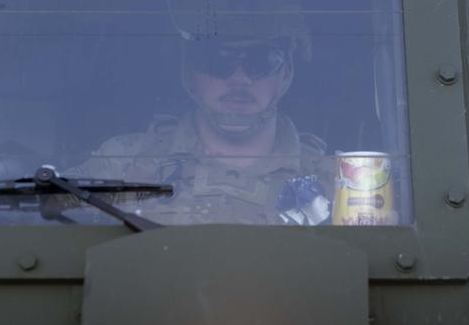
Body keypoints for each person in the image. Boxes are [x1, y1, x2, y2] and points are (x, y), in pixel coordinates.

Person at [66, 17, 333, 226]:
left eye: (260, 62)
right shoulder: (124, 161)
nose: (239, 80)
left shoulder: (334, 181)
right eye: (217, 61)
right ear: (189, 73)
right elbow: (46, 216)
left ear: (285, 74)